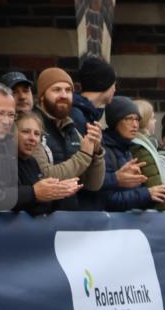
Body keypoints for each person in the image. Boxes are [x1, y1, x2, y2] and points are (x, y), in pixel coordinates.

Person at [33, 67, 105, 204]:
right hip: (41, 218)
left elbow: (93, 185)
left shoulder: (72, 129)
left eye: (68, 90)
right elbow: (45, 176)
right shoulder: (32, 127)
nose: (64, 95)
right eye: (56, 90)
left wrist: (96, 152)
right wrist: (84, 155)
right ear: (42, 96)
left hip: (70, 217)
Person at [95, 97, 165, 211]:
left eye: (137, 119)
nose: (135, 125)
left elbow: (132, 199)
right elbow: (106, 200)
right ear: (115, 120)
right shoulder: (103, 150)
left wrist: (157, 196)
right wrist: (147, 194)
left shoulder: (127, 149)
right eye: (129, 119)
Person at [13, 110, 81, 215]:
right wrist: (34, 192)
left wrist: (58, 193)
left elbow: (39, 209)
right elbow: (4, 198)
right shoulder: (1, 160)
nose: (32, 138)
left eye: (36, 134)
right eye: (26, 131)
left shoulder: (32, 163)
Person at [72, 56, 116, 134]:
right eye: (114, 84)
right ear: (105, 84)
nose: (115, 90)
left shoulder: (88, 113)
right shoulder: (77, 116)